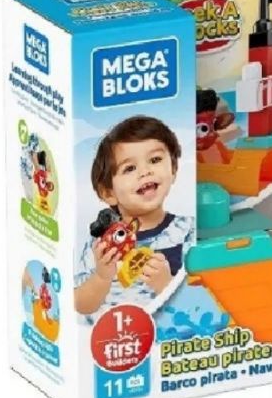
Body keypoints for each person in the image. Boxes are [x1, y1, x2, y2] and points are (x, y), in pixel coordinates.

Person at [74, 116, 193, 318]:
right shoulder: (101, 244)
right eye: (129, 168)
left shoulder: (186, 230)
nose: (145, 171)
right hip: (111, 332)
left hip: (165, 329)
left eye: (155, 160)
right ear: (108, 192)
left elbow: (198, 301)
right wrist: (102, 277)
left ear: (173, 169)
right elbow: (80, 305)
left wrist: (167, 284)